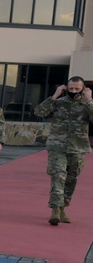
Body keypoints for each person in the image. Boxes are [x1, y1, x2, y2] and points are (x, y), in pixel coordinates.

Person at [33, 76, 93, 225]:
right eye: (71, 88)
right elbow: (39, 112)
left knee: (71, 179)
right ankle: (55, 209)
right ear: (66, 88)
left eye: (77, 89)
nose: (73, 91)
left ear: (83, 89)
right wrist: (54, 96)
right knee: (58, 175)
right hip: (57, 146)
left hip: (78, 148)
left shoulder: (87, 105)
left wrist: (90, 100)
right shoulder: (58, 103)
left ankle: (63, 208)